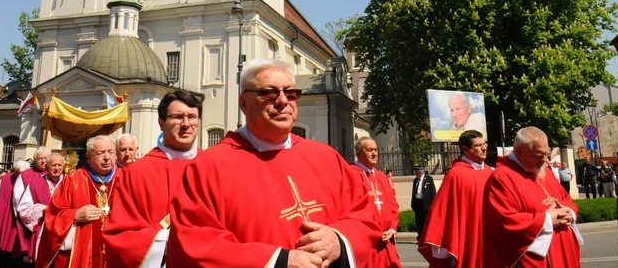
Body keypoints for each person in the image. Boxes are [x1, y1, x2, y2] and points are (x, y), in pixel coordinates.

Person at [166, 58, 380, 268]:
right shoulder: (208, 167)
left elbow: (363, 215)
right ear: (243, 103)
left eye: (290, 93)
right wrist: (277, 261)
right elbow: (196, 244)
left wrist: (339, 240)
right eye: (268, 93)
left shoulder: (326, 158)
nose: (282, 101)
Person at [104, 89, 204, 267]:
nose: (186, 124)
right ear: (161, 123)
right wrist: (168, 240)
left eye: (192, 117)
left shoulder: (213, 168)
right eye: (177, 117)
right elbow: (120, 236)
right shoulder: (135, 174)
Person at [483, 127, 582, 267]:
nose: (545, 160)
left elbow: (565, 198)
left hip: (562, 249)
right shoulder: (502, 177)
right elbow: (504, 221)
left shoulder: (543, 171)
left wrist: (569, 213)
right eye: (537, 155)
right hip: (534, 257)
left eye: (546, 154)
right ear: (519, 151)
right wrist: (547, 219)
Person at [37, 135, 119, 268]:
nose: (107, 157)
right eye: (100, 153)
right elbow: (52, 216)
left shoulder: (125, 178)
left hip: (116, 254)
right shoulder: (73, 181)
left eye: (110, 152)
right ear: (88, 156)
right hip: (84, 256)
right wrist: (74, 215)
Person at [418, 130, 492, 268]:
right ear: (465, 149)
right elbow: (442, 210)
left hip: (490, 236)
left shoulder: (490, 172)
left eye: (484, 144)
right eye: (478, 145)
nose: (484, 148)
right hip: (468, 236)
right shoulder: (456, 175)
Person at [349, 136, 401, 268]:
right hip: (364, 244)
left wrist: (392, 229)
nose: (374, 154)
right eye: (370, 150)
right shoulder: (350, 174)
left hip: (386, 243)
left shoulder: (382, 177)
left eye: (376, 150)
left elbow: (393, 207)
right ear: (358, 153)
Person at [17, 153, 65, 265]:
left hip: (65, 232)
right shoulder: (35, 183)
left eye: (59, 165)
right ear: (47, 166)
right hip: (42, 231)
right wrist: (44, 209)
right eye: (53, 165)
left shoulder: (71, 183)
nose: (57, 168)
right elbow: (23, 209)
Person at [0, 159, 31, 267]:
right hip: (8, 219)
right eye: (18, 173)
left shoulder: (31, 178)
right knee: (5, 254)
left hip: (24, 220)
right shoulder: (6, 179)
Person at [411, 165, 436, 242]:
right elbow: (413, 193)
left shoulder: (428, 179)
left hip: (426, 204)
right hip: (418, 203)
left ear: (420, 172)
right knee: (419, 221)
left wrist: (433, 204)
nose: (415, 173)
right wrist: (413, 204)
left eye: (416, 172)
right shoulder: (415, 180)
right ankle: (420, 237)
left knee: (426, 221)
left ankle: (427, 237)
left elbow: (433, 192)